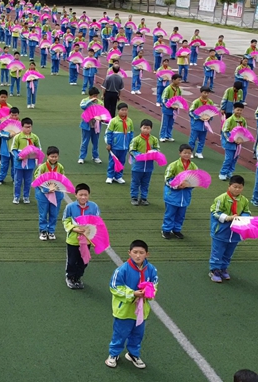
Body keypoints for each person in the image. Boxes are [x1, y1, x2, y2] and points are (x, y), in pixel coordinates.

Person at [105, 240, 158, 370]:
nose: (138, 256)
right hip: (124, 310)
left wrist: (148, 292)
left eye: (141, 253)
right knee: (120, 333)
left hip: (141, 311)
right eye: (135, 252)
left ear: (147, 254)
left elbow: (154, 284)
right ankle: (114, 354)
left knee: (137, 333)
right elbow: (114, 287)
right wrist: (133, 293)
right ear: (129, 253)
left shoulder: (151, 270)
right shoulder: (122, 270)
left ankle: (133, 354)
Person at [209, 175, 250, 283]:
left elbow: (246, 212)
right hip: (221, 231)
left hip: (235, 233)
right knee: (218, 251)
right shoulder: (221, 198)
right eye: (235, 187)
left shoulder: (244, 200)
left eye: (240, 187)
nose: (237, 189)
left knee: (229, 252)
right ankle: (214, 270)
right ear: (229, 186)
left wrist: (243, 217)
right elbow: (215, 212)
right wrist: (228, 218)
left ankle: (223, 268)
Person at [62, 183, 100, 289]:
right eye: (81, 195)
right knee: (72, 260)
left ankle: (78, 277)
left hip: (87, 240)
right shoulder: (70, 207)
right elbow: (66, 220)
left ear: (88, 195)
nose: (83, 197)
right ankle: (70, 277)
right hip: (73, 240)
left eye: (85, 195)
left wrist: (90, 229)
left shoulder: (93, 206)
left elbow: (97, 220)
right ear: (76, 195)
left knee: (84, 260)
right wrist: (74, 229)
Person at [163, 144, 198, 239]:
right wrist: (176, 186)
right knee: (170, 214)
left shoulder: (193, 166)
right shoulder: (173, 165)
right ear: (180, 153)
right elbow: (167, 179)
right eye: (185, 153)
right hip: (173, 195)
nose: (187, 155)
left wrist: (190, 185)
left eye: (189, 153)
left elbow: (197, 179)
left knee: (181, 215)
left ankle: (176, 230)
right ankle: (166, 230)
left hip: (185, 195)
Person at [34, 146, 65, 241]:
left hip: (56, 193)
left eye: (55, 156)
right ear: (47, 156)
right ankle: (43, 231)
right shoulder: (42, 167)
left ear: (58, 157)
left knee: (54, 213)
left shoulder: (60, 167)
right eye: (52, 156)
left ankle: (51, 231)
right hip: (43, 194)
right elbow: (37, 179)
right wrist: (46, 189)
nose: (54, 158)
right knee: (43, 213)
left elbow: (63, 179)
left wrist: (56, 187)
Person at [128, 119, 160, 206]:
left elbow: (157, 149)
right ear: (140, 128)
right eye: (144, 128)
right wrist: (141, 155)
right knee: (135, 182)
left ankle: (143, 198)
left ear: (151, 129)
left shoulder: (154, 139)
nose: (146, 130)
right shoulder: (136, 140)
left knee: (145, 183)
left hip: (149, 166)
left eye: (148, 128)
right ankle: (134, 197)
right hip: (138, 166)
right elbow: (131, 150)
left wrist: (153, 153)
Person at [10, 117, 40, 204]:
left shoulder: (35, 137)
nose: (28, 129)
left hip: (30, 163)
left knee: (28, 181)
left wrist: (36, 154)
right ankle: (16, 196)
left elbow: (39, 148)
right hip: (19, 163)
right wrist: (18, 157)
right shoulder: (18, 137)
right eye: (26, 127)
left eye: (30, 127)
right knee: (18, 181)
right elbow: (13, 149)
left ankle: (26, 196)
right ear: (22, 127)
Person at [105, 103, 133, 184]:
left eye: (126, 110)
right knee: (112, 161)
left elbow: (131, 133)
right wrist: (109, 143)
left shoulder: (130, 121)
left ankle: (118, 176)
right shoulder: (113, 121)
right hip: (115, 146)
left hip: (124, 147)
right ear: (118, 111)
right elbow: (108, 133)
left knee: (121, 162)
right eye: (122, 110)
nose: (124, 112)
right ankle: (110, 176)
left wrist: (130, 144)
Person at [220, 103, 247, 181]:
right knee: (228, 158)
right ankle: (223, 173)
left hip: (238, 144)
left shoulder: (243, 120)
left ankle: (230, 172)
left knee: (235, 158)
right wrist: (232, 139)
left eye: (241, 110)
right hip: (229, 143)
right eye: (237, 110)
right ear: (234, 109)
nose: (239, 111)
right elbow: (225, 131)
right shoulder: (229, 120)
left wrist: (241, 139)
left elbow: (245, 131)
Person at [189, 87, 215, 159]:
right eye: (204, 92)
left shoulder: (210, 102)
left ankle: (199, 152)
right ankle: (190, 152)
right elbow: (191, 112)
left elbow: (212, 112)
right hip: (196, 124)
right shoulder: (196, 102)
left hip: (205, 124)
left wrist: (210, 117)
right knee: (193, 139)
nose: (206, 94)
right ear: (201, 92)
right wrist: (199, 117)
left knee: (202, 139)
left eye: (207, 93)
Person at [79, 87, 103, 164]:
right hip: (86, 125)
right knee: (85, 142)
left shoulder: (100, 102)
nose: (96, 97)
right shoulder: (85, 101)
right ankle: (81, 157)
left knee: (95, 142)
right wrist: (90, 101)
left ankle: (95, 156)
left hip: (96, 125)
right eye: (94, 95)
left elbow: (102, 112)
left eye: (97, 95)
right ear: (90, 95)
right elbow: (82, 106)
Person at [159, 75, 182, 142]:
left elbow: (180, 98)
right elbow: (163, 99)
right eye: (178, 80)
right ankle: (162, 136)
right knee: (164, 123)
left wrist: (178, 105)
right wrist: (170, 105)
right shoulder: (168, 89)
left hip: (174, 110)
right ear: (173, 80)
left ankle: (168, 136)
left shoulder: (178, 89)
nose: (179, 81)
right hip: (167, 109)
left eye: (180, 80)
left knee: (171, 124)